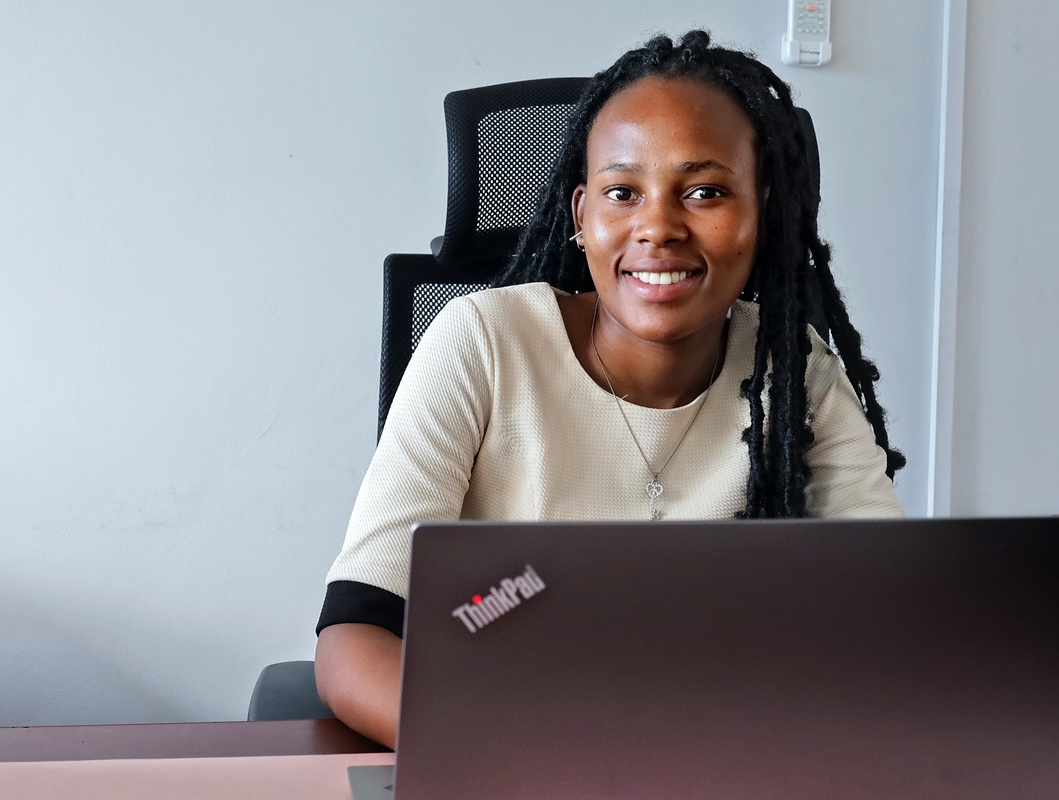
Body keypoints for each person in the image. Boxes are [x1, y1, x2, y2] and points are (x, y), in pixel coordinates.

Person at [314, 29, 906, 748]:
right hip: (502, 756)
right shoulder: (481, 342)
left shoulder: (795, 369)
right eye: (623, 192)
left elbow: (890, 619)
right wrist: (518, 761)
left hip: (720, 755)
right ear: (582, 220)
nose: (657, 226)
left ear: (761, 216)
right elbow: (355, 640)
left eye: (706, 191)